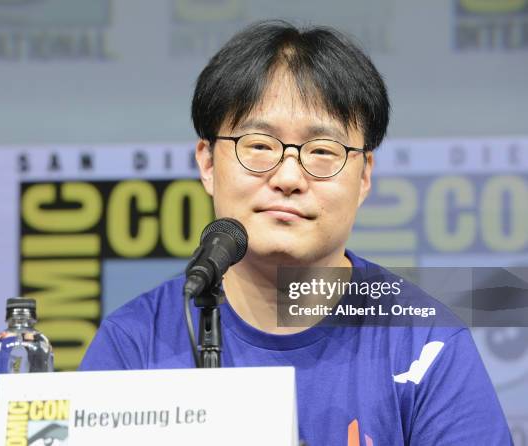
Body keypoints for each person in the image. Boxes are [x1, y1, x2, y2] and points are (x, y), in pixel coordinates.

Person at [80, 21, 512, 444]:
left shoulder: (426, 343)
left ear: (364, 177)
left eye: (323, 151)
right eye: (260, 146)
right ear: (208, 163)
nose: (289, 176)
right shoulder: (135, 343)